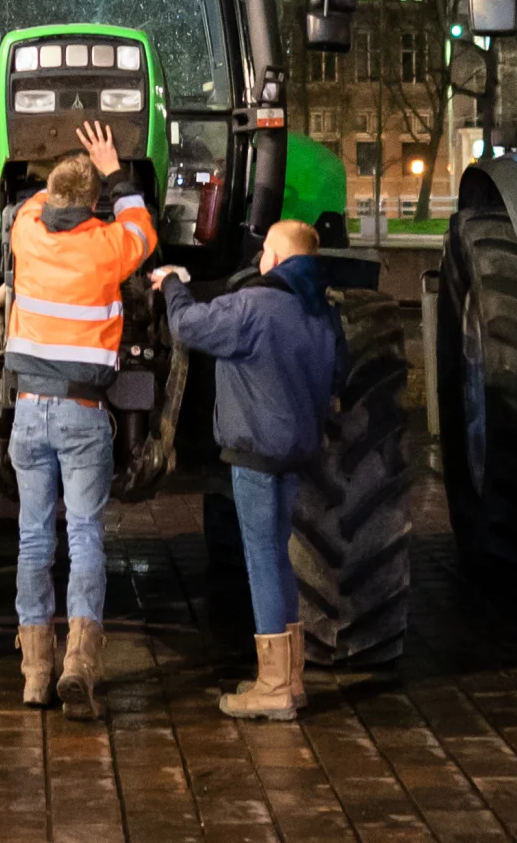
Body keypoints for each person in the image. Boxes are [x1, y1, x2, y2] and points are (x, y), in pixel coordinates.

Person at [157, 214, 340, 719]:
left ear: (274, 257)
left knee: (261, 558)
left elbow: (186, 326)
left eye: (264, 253)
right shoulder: (320, 311)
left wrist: (171, 284)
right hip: (296, 451)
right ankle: (290, 680)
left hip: (255, 453)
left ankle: (274, 688)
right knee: (278, 556)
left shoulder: (253, 306)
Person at [4, 115, 154, 713]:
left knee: (33, 538)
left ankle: (34, 673)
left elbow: (31, 204)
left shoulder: (26, 233)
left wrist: (57, 166)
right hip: (82, 413)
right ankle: (80, 664)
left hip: (27, 413)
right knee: (86, 534)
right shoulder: (108, 246)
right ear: (94, 205)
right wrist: (114, 170)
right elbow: (142, 228)